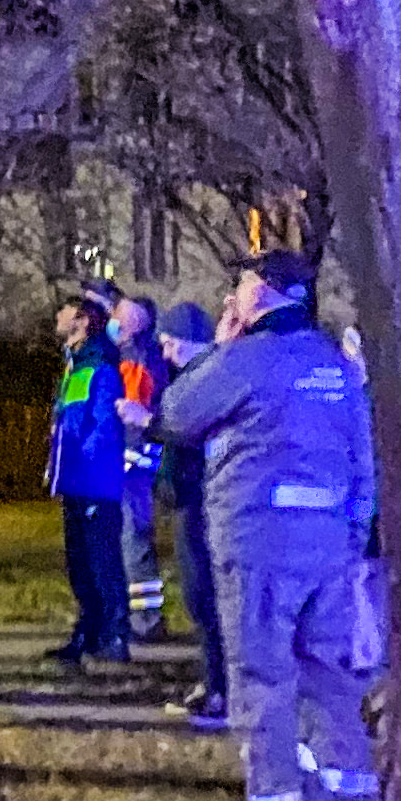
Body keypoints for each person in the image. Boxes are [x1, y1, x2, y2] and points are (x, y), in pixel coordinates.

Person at [154, 253, 380, 801]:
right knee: (330, 679)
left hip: (260, 544)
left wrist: (221, 347)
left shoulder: (249, 359)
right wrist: (351, 537)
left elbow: (177, 413)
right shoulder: (333, 366)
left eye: (244, 283)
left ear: (268, 294)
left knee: (263, 683)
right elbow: (362, 459)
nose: (234, 292)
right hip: (329, 545)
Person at [44, 292, 134, 665]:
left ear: (81, 321)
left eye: (64, 311)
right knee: (81, 564)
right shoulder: (76, 366)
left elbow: (102, 429)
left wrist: (83, 469)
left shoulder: (99, 368)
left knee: (102, 562)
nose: (57, 315)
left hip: (94, 483)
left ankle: (114, 635)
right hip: (76, 482)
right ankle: (89, 632)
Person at [157, 297, 230, 726]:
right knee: (201, 598)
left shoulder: (202, 382)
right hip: (192, 499)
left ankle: (220, 689)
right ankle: (213, 681)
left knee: (208, 597)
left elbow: (185, 435)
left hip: (202, 502)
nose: (165, 353)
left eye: (169, 343)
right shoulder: (198, 378)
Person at [112, 293, 176, 628]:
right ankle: (141, 614)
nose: (114, 319)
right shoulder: (136, 355)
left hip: (133, 459)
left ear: (137, 322)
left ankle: (146, 618)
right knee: (129, 535)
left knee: (132, 536)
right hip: (134, 457)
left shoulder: (138, 359)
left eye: (121, 315)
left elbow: (133, 413)